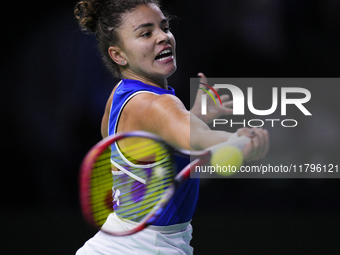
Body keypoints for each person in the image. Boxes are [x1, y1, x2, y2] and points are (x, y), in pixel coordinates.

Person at [74, 0, 269, 254]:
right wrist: (239, 139)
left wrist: (191, 117)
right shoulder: (155, 105)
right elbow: (197, 138)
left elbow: (122, 141)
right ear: (118, 54)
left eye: (164, 27)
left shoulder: (120, 96)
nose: (162, 37)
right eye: (146, 33)